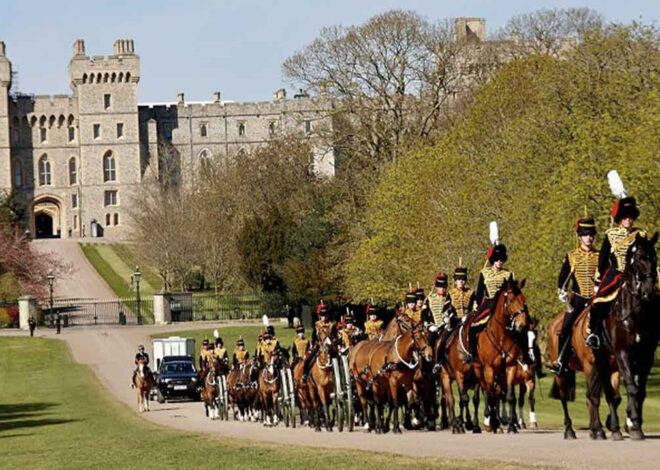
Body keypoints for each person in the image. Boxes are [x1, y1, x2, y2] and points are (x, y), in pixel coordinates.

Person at [588, 179, 646, 349]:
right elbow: (603, 259)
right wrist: (599, 280)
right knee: (598, 302)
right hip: (617, 274)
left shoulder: (640, 234)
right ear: (620, 218)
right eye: (625, 217)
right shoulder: (611, 235)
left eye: (630, 217)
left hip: (636, 275)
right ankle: (594, 334)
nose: (628, 220)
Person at [549, 217, 598, 373]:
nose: (588, 237)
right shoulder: (572, 256)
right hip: (578, 299)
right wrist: (561, 292)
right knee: (566, 327)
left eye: (591, 234)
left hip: (596, 300)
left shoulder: (599, 256)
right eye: (585, 234)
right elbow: (563, 278)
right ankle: (561, 360)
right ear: (579, 236)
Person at [464, 222, 513, 362]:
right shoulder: (484, 273)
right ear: (493, 260)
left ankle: (525, 357)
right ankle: (472, 353)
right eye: (497, 259)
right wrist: (477, 306)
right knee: (473, 326)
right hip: (489, 303)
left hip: (504, 304)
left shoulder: (508, 274)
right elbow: (479, 293)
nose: (499, 262)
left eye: (501, 259)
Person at [427, 273, 457, 366]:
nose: (442, 289)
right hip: (434, 327)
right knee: (428, 344)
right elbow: (425, 315)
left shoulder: (449, 297)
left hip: (447, 326)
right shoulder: (430, 299)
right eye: (440, 286)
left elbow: (452, 309)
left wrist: (449, 317)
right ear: (436, 287)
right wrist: (429, 325)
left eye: (444, 286)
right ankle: (429, 365)